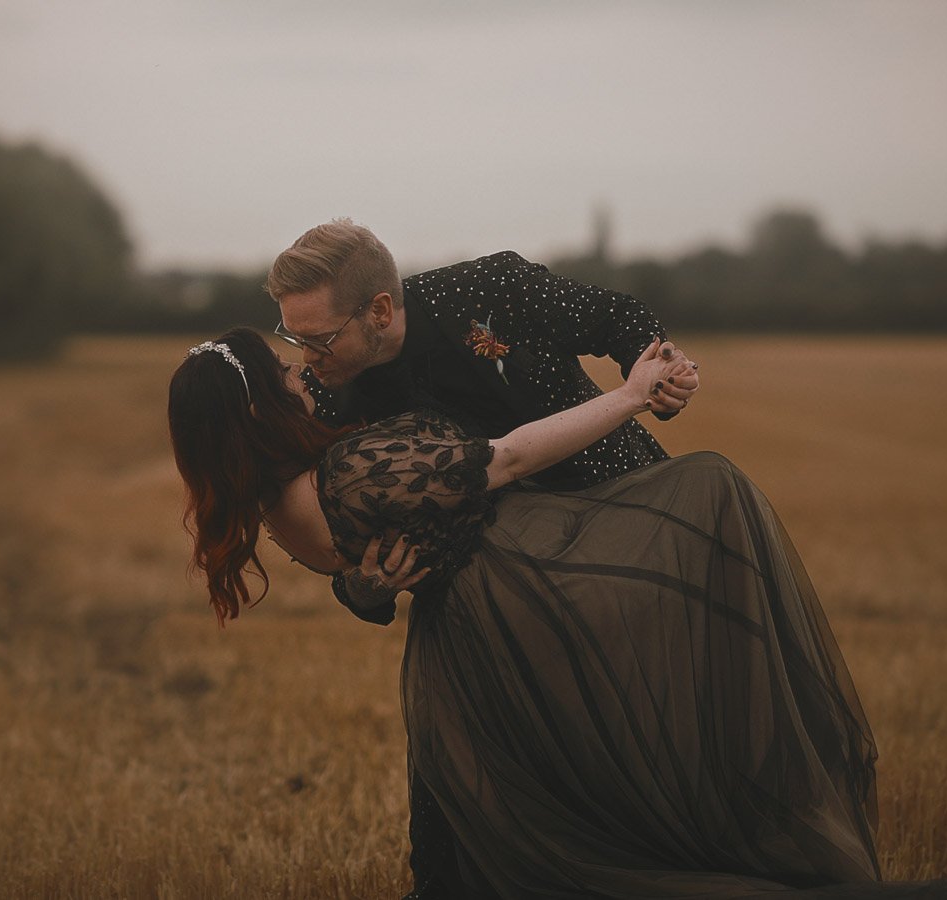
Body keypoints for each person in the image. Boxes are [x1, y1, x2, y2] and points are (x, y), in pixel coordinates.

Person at [166, 327, 947, 899]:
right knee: (708, 493)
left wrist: (365, 591)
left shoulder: (280, 505)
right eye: (286, 375)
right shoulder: (347, 469)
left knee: (492, 853)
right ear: (256, 409)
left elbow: (365, 569)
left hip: (459, 658)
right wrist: (630, 395)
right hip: (527, 606)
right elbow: (509, 457)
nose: (304, 375)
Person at [268, 219, 700, 894]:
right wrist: (365, 588)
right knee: (456, 756)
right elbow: (336, 540)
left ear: (379, 310)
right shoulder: (327, 400)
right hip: (484, 591)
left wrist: (665, 375)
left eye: (320, 338)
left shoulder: (489, 288)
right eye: (294, 337)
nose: (308, 356)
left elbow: (618, 319)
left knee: (630, 745)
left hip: (613, 531)